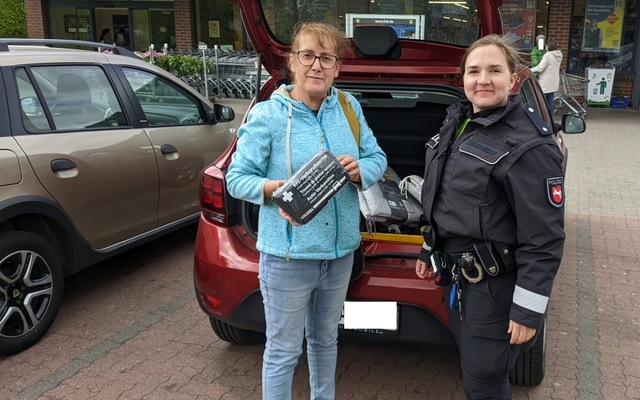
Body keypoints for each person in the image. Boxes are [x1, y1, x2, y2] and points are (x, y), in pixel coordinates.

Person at [226, 22, 387, 400]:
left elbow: (377, 156)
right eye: (308, 55)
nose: (317, 65)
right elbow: (236, 178)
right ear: (293, 62)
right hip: (287, 260)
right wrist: (272, 189)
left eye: (326, 58)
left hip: (339, 255)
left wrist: (361, 169)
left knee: (325, 341)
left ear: (336, 67)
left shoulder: (348, 108)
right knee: (283, 352)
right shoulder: (267, 116)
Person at [415, 34, 565, 399]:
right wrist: (427, 246)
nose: (483, 79)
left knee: (485, 383)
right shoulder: (458, 121)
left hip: (496, 289)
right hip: (460, 277)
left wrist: (529, 311)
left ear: (514, 79)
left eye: (495, 70)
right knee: (474, 370)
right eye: (474, 71)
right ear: (462, 78)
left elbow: (544, 238)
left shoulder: (531, 144)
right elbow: (446, 196)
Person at [531, 38, 563, 116]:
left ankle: (542, 116)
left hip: (545, 82)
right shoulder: (559, 55)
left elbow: (540, 68)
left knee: (541, 100)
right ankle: (550, 116)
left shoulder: (548, 55)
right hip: (554, 81)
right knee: (550, 99)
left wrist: (529, 70)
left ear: (548, 46)